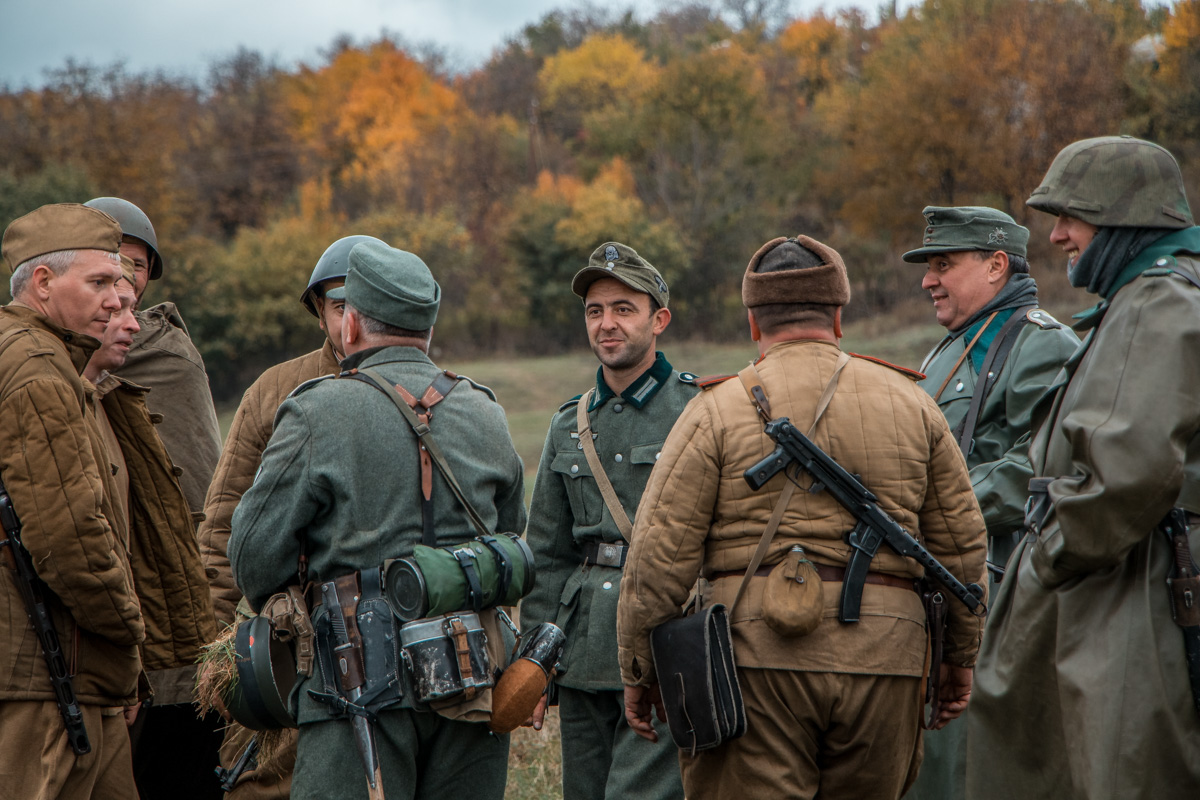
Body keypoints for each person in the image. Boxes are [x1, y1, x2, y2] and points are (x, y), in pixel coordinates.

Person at [616, 235, 988, 799]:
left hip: (753, 667)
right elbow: (961, 549)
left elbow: (658, 559)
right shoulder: (915, 404)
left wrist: (641, 670)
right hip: (888, 660)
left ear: (752, 323)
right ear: (839, 317)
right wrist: (960, 657)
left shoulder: (713, 411)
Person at [229, 241, 527, 800]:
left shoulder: (317, 410)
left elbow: (252, 555)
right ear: (427, 330)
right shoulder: (486, 411)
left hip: (353, 679)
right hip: (471, 677)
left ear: (353, 326)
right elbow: (512, 531)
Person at [968, 136, 1200, 799]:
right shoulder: (1146, 299)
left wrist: (1046, 559)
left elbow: (1127, 476)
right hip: (1124, 584)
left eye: (1074, 214)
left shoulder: (1156, 302)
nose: (1059, 234)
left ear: (1127, 215)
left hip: (1132, 598)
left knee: (1121, 772)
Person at [900, 207, 1079, 800]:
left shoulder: (1039, 343)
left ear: (996, 265)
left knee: (975, 767)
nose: (929, 279)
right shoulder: (948, 352)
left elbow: (1046, 462)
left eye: (944, 264)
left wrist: (934, 513)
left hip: (1000, 589)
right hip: (940, 586)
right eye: (929, 266)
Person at [198, 234, 380, 798]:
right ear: (319, 312)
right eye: (335, 306)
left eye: (362, 305)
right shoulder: (273, 391)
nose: (349, 322)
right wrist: (230, 649)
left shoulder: (422, 389)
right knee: (263, 785)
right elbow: (223, 525)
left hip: (388, 626)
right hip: (284, 632)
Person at [520, 242, 693, 800]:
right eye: (595, 311)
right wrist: (536, 664)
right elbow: (546, 552)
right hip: (583, 648)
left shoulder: (697, 409)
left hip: (664, 643)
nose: (607, 324)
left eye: (624, 308)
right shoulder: (566, 422)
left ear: (658, 319)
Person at [0, 203, 143, 798]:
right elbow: (72, 541)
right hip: (46, 676)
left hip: (65, 669)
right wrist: (131, 638)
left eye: (122, 283)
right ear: (43, 283)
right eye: (101, 281)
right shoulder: (36, 369)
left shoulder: (44, 358)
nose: (118, 300)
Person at [82, 256, 220, 796]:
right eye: (108, 268)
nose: (123, 283)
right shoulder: (43, 368)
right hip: (100, 612)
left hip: (177, 604)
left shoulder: (169, 356)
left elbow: (207, 493)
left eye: (135, 267)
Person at [83, 196, 221, 519]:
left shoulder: (169, 356)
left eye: (138, 265)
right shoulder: (36, 349)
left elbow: (203, 484)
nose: (125, 275)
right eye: (115, 260)